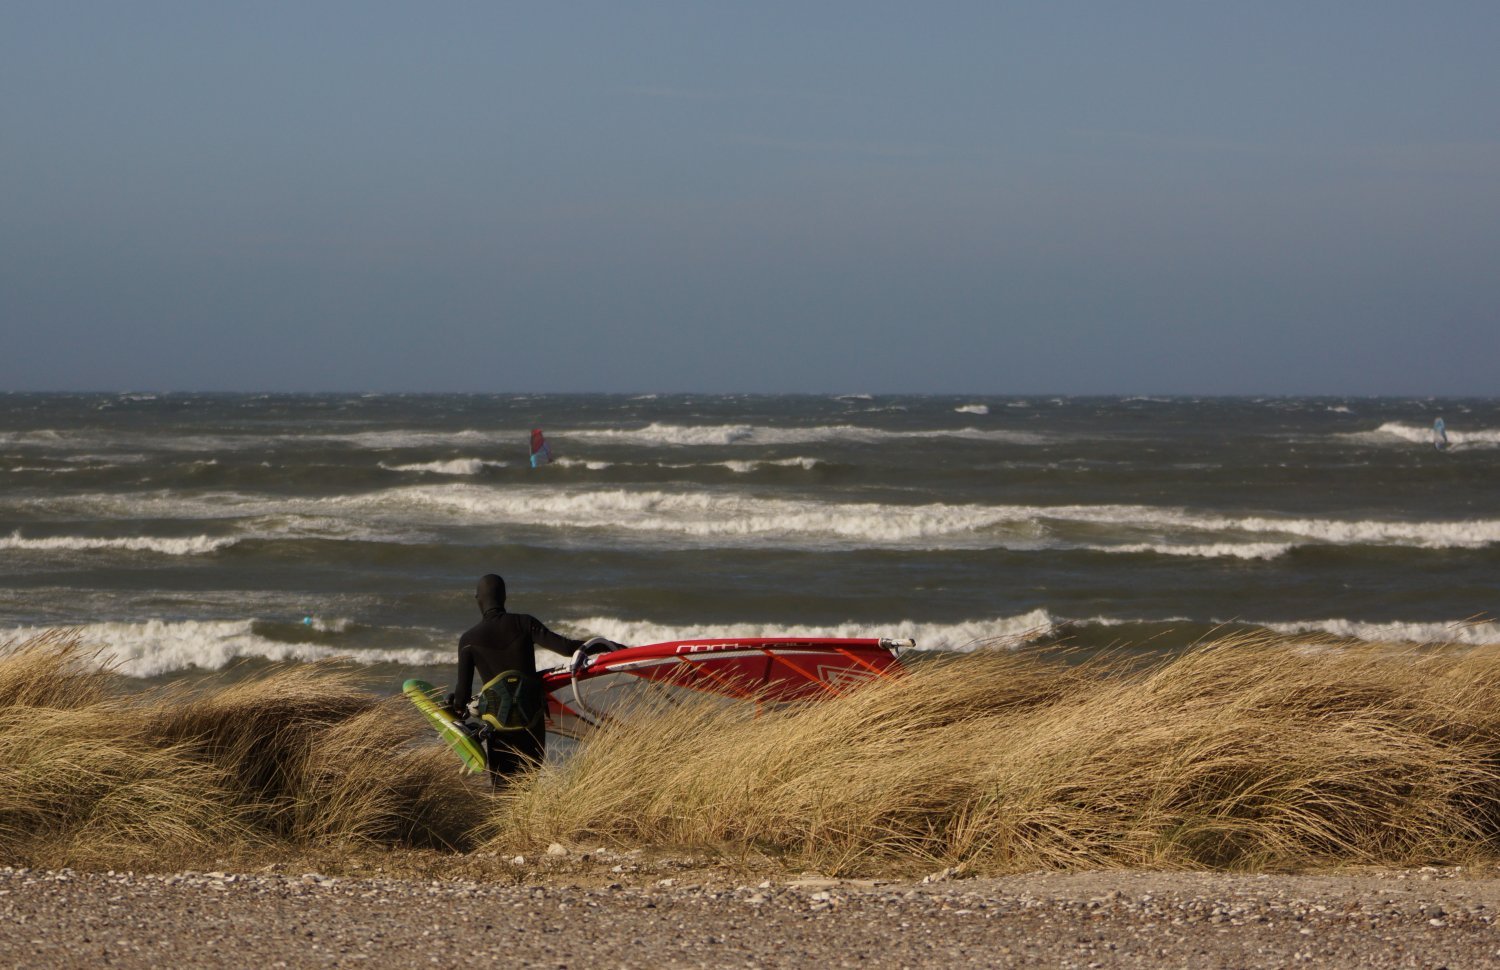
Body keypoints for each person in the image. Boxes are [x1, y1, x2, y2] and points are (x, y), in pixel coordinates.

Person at [448, 573, 617, 787]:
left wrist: (455, 704)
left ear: (478, 599)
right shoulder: (524, 623)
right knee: (528, 786)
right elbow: (566, 648)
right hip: (532, 722)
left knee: (503, 789)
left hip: (499, 729)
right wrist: (609, 647)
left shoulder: (468, 640)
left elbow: (461, 696)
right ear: (504, 597)